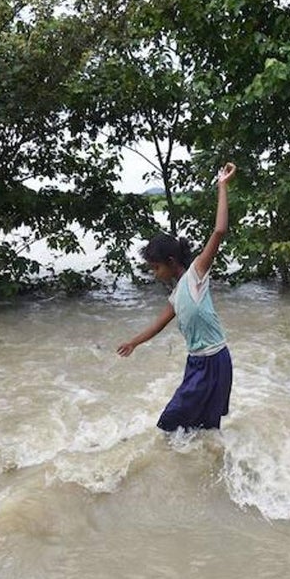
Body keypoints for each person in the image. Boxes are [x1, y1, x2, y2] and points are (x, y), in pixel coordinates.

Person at [117, 163, 237, 431]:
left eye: (156, 267)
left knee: (172, 423)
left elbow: (219, 231)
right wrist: (134, 342)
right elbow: (157, 325)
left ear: (171, 262)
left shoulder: (196, 275)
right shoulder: (176, 297)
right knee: (194, 428)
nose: (155, 273)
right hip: (197, 363)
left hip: (214, 361)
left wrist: (222, 185)